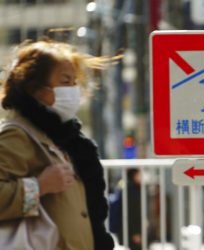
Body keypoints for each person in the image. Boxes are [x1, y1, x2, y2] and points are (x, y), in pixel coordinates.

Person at [0, 40, 120, 249]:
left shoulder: (65, 138)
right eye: (65, 81)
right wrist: (39, 186)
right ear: (35, 88)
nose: (73, 90)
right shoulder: (17, 135)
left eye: (75, 82)